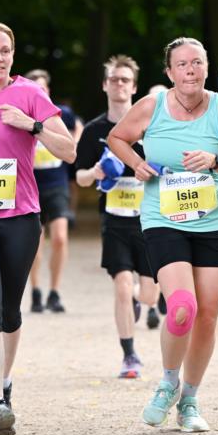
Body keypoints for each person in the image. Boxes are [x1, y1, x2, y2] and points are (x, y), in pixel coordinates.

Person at [108, 37, 218, 431]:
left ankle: (190, 400)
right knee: (182, 307)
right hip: (164, 217)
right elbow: (117, 138)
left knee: (208, 318)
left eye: (197, 63)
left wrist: (215, 161)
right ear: (169, 73)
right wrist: (136, 163)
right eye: (182, 65)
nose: (191, 71)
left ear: (206, 67)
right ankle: (167, 383)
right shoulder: (152, 105)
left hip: (214, 220)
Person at [0, 23, 76, 435]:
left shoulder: (29, 94)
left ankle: (4, 384)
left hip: (21, 217)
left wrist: (32, 126)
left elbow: (69, 150)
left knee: (9, 309)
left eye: (4, 50)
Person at [76, 55, 159, 378]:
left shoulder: (150, 127)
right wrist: (95, 172)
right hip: (114, 220)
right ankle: (129, 355)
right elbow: (79, 176)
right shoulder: (94, 130)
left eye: (125, 80)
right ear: (104, 85)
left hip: (149, 218)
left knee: (149, 294)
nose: (119, 84)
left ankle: (142, 300)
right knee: (122, 285)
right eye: (114, 79)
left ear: (134, 87)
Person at [24, 68, 80, 314]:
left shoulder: (61, 113)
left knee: (59, 238)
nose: (41, 91)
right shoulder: (20, 114)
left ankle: (54, 292)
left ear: (48, 90)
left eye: (43, 87)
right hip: (30, 186)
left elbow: (78, 126)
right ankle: (35, 291)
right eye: (35, 87)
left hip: (56, 185)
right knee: (34, 244)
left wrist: (73, 143)